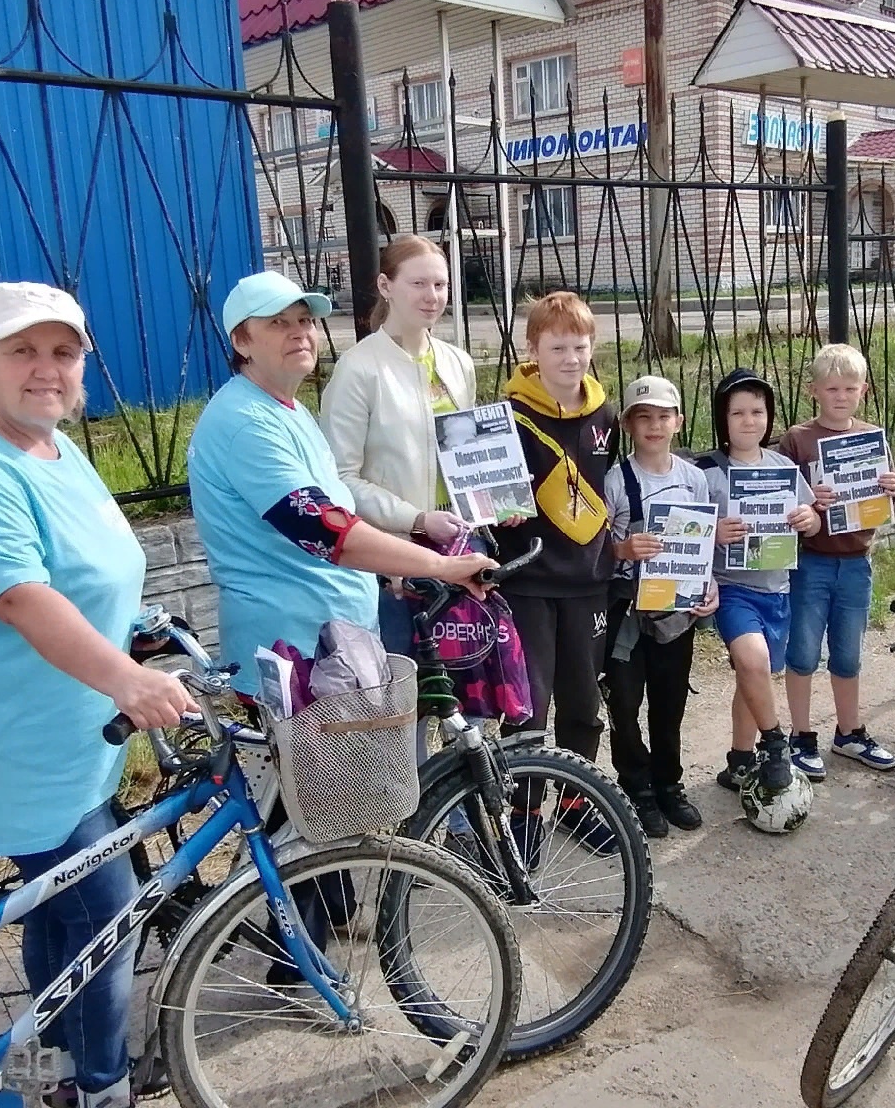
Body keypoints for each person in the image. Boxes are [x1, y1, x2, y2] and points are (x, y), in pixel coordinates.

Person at [0, 282, 197, 1108]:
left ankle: (60, 1066)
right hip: (22, 743)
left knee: (61, 915)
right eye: (22, 351)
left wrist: (142, 631)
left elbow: (84, 573)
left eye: (62, 353)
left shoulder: (54, 448)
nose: (45, 369)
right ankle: (102, 1089)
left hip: (79, 733)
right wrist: (130, 679)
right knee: (107, 919)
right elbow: (22, 597)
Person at [186, 270, 493, 699]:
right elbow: (326, 530)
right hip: (296, 655)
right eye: (278, 323)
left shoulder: (287, 411)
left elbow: (340, 514)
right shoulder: (244, 424)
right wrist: (442, 567)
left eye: (305, 321)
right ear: (242, 342)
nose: (299, 333)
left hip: (333, 647)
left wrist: (393, 570)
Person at [493, 291, 619, 853]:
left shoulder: (606, 415)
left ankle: (573, 803)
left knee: (583, 701)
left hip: (589, 579)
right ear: (533, 349)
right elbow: (481, 495)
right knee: (529, 703)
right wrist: (497, 509)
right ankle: (523, 813)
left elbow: (616, 486)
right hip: (527, 578)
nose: (571, 358)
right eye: (557, 347)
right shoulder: (508, 417)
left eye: (580, 346)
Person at [319, 235, 477, 655]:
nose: (432, 297)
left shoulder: (458, 363)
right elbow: (339, 479)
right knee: (410, 691)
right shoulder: (357, 370)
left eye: (441, 285)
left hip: (460, 544)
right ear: (386, 286)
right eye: (419, 284)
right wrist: (418, 519)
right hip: (395, 560)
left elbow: (468, 456)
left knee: (463, 694)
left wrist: (497, 501)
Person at [775, 344, 895, 781]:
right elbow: (779, 497)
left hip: (856, 561)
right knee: (803, 651)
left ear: (863, 391)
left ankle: (849, 732)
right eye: (832, 388)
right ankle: (801, 735)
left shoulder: (872, 437)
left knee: (848, 654)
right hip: (810, 561)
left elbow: (883, 495)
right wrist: (811, 499)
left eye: (850, 388)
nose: (841, 396)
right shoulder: (798, 439)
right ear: (814, 391)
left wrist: (890, 486)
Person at [601, 375, 720, 838]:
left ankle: (669, 784)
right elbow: (596, 545)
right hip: (627, 612)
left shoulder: (692, 479)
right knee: (625, 704)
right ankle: (637, 789)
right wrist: (622, 550)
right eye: (643, 417)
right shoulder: (616, 480)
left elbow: (703, 543)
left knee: (669, 705)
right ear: (629, 424)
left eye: (663, 416)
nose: (654, 425)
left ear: (679, 422)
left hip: (678, 614)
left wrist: (708, 584)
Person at [700, 368, 821, 795]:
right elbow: (686, 526)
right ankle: (775, 745)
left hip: (777, 590)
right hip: (732, 587)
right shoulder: (709, 473)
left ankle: (738, 760)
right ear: (723, 419)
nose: (748, 421)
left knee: (756, 676)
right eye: (737, 413)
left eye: (757, 411)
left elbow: (811, 517)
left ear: (769, 416)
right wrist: (712, 530)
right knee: (752, 661)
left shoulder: (784, 468)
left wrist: (810, 519)